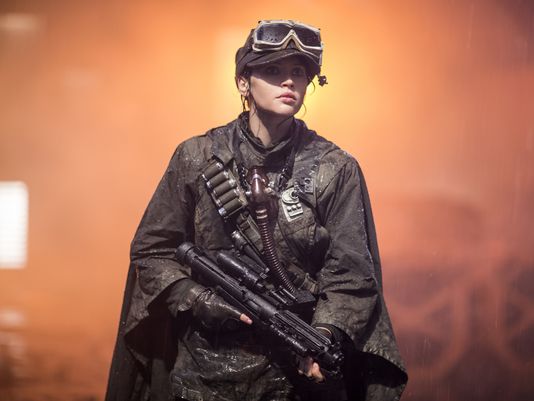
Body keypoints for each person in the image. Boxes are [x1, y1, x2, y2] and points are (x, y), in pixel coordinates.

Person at [106, 20, 408, 401]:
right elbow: (153, 250)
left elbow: (352, 275)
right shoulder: (198, 157)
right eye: (273, 70)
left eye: (298, 72)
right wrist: (197, 299)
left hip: (291, 380)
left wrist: (322, 335)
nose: (289, 81)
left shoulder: (334, 169)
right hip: (202, 377)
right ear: (243, 83)